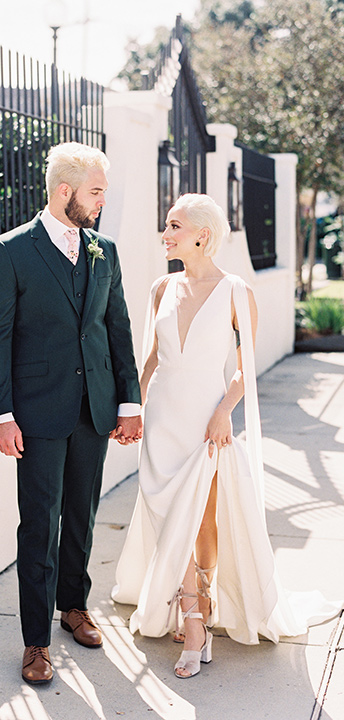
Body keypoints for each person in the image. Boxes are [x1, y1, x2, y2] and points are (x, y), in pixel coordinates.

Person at [111, 193, 341, 679]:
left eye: (174, 226)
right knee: (166, 509)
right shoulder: (160, 288)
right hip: (163, 420)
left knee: (203, 519)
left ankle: (197, 615)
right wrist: (133, 409)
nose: (166, 234)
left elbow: (245, 368)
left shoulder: (236, 291)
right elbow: (151, 359)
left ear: (203, 235)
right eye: (167, 225)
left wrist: (223, 412)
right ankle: (196, 602)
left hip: (205, 419)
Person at [0, 142, 142, 685]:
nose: (101, 202)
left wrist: (129, 402)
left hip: (94, 408)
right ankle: (35, 641)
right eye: (96, 191)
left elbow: (117, 330)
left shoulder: (106, 251)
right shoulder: (10, 252)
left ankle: (74, 606)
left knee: (83, 514)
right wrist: (0, 414)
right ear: (64, 190)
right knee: (39, 525)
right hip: (36, 412)